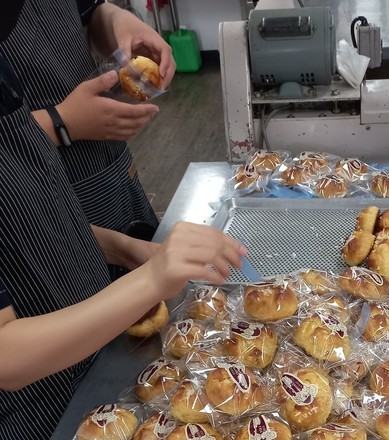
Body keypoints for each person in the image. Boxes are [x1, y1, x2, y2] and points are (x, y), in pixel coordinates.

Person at [0, 52, 247, 439]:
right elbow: (6, 357)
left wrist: (127, 250)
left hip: (101, 348)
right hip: (43, 408)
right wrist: (150, 280)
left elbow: (31, 223)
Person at [0, 0, 176, 252]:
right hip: (39, 190)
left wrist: (117, 21)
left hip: (109, 161)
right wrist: (62, 122)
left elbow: (88, 13)